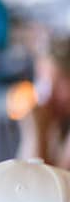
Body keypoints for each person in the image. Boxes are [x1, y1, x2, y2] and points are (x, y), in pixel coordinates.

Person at [16, 34, 70, 170]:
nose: (49, 94)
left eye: (61, 82)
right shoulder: (54, 123)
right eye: (43, 80)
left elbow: (52, 189)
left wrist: (37, 135)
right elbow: (20, 184)